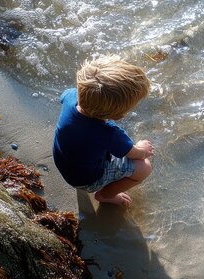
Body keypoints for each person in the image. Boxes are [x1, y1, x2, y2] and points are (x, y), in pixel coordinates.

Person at [53, 55, 154, 207]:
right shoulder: (110, 133)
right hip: (87, 181)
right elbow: (133, 153)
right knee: (144, 167)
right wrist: (142, 150)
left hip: (64, 163)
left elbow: (64, 96)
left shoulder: (70, 97)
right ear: (118, 116)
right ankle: (106, 195)